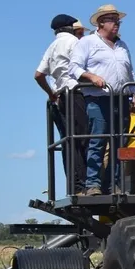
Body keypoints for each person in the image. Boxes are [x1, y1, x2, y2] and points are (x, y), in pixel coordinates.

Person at [68, 4, 135, 196]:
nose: (116, 24)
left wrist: (133, 93)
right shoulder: (88, 42)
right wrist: (92, 77)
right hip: (98, 99)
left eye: (118, 20)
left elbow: (129, 71)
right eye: (112, 20)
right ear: (101, 23)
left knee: (120, 143)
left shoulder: (122, 45)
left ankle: (113, 184)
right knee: (98, 141)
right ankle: (93, 184)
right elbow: (73, 67)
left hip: (121, 99)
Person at [34, 14, 88, 194]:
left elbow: (38, 75)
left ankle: (74, 186)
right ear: (70, 28)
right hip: (76, 93)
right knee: (82, 139)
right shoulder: (75, 43)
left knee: (68, 141)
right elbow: (84, 69)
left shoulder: (52, 46)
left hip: (60, 97)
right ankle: (84, 184)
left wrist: (51, 94)